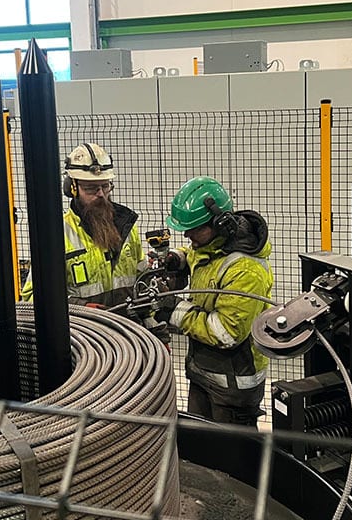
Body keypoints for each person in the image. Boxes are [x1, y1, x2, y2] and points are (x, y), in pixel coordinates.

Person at [153, 176, 273, 426]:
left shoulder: (245, 270)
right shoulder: (212, 244)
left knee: (232, 459)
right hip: (203, 374)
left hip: (232, 388)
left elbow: (226, 333)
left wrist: (174, 310)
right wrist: (178, 258)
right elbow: (200, 255)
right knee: (202, 453)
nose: (187, 235)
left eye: (194, 229)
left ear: (220, 223)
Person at [21, 142, 145, 308]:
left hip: (127, 328)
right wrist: (81, 307)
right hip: (83, 331)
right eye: (91, 188)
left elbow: (142, 278)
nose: (101, 194)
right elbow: (32, 297)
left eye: (105, 186)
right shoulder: (57, 235)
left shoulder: (127, 228)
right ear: (72, 189)